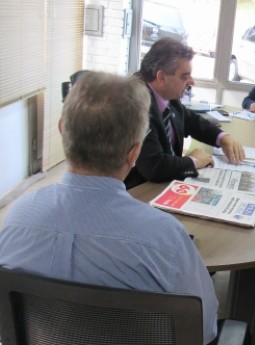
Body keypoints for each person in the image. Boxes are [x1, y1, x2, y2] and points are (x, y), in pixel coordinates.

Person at [0, 72, 219, 344]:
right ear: (134, 153)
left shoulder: (16, 220)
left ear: (62, 130)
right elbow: (203, 329)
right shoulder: (165, 238)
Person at [125, 37, 245, 189]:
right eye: (184, 76)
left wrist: (222, 138)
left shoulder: (168, 93)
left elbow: (190, 120)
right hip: (139, 190)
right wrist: (193, 162)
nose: (191, 82)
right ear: (161, 77)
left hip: (165, 184)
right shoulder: (135, 105)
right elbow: (154, 167)